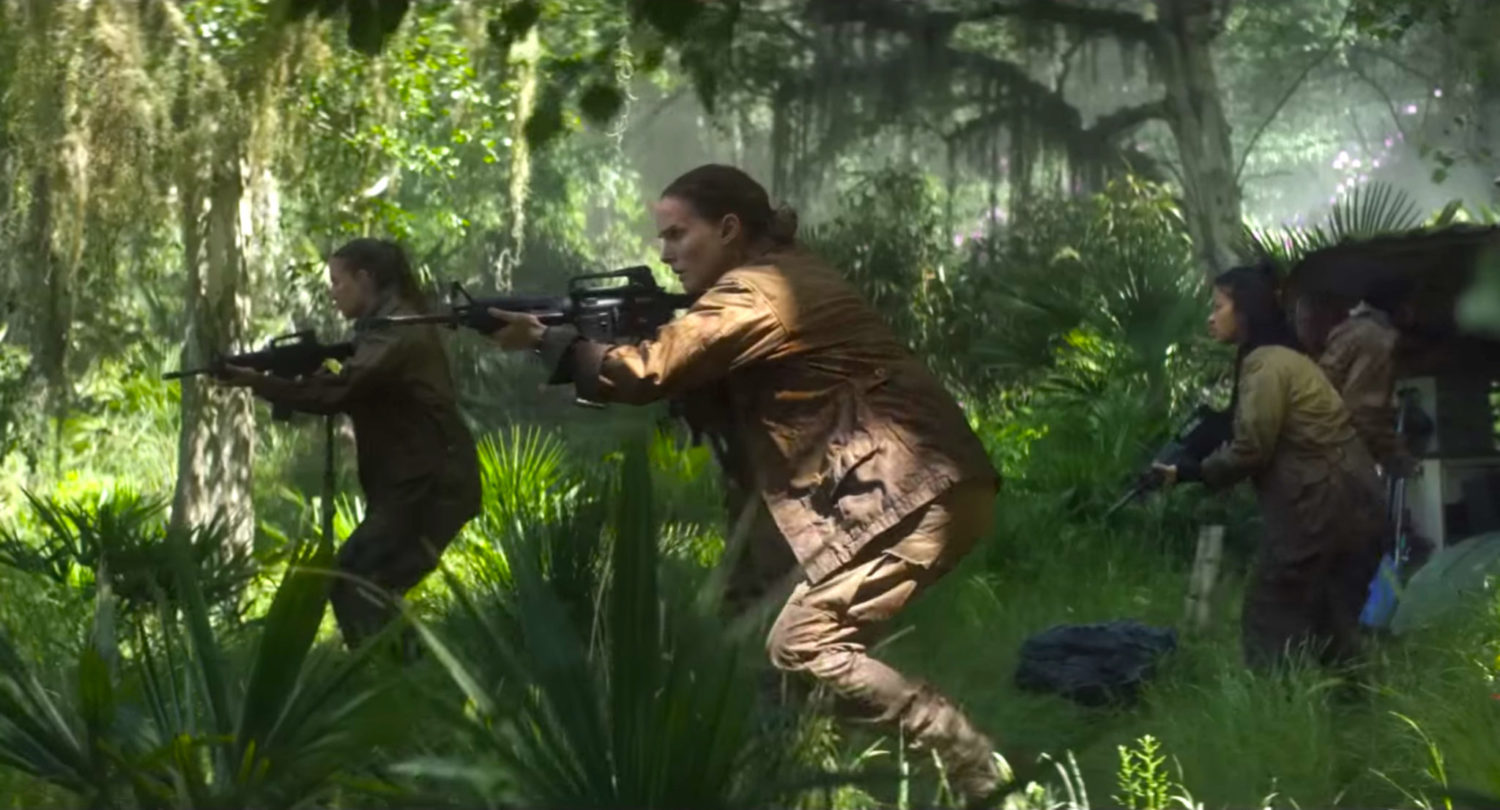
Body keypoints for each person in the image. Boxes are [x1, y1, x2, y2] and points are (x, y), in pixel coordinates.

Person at [488, 164, 1005, 804]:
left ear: (729, 228)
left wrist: (553, 345)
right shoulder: (776, 277)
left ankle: (973, 766)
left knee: (803, 647)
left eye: (678, 235)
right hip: (893, 486)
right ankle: (790, 783)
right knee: (747, 630)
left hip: (908, 490)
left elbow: (650, 371)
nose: (665, 254)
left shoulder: (757, 292)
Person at [218, 238, 481, 653]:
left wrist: (259, 381)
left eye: (338, 282)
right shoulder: (384, 329)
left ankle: (399, 672)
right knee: (371, 585)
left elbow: (341, 391)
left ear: (365, 278)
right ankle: (409, 673)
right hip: (423, 481)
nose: (332, 292)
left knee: (355, 579)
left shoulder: (396, 330)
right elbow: (353, 384)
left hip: (431, 484)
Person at [1156, 262, 1385, 672]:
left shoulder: (1265, 364)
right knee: (1330, 619)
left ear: (1245, 310)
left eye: (1219, 306)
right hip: (1354, 497)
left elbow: (1251, 449)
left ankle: (1274, 700)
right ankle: (1354, 702)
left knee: (1270, 611)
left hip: (1319, 502)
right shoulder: (1284, 358)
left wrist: (1193, 472)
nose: (1211, 317)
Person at [1292, 281, 1404, 473]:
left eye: (1303, 321)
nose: (1300, 331)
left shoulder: (1363, 339)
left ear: (1326, 316)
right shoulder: (1338, 345)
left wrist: (1392, 454)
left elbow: (1364, 411)